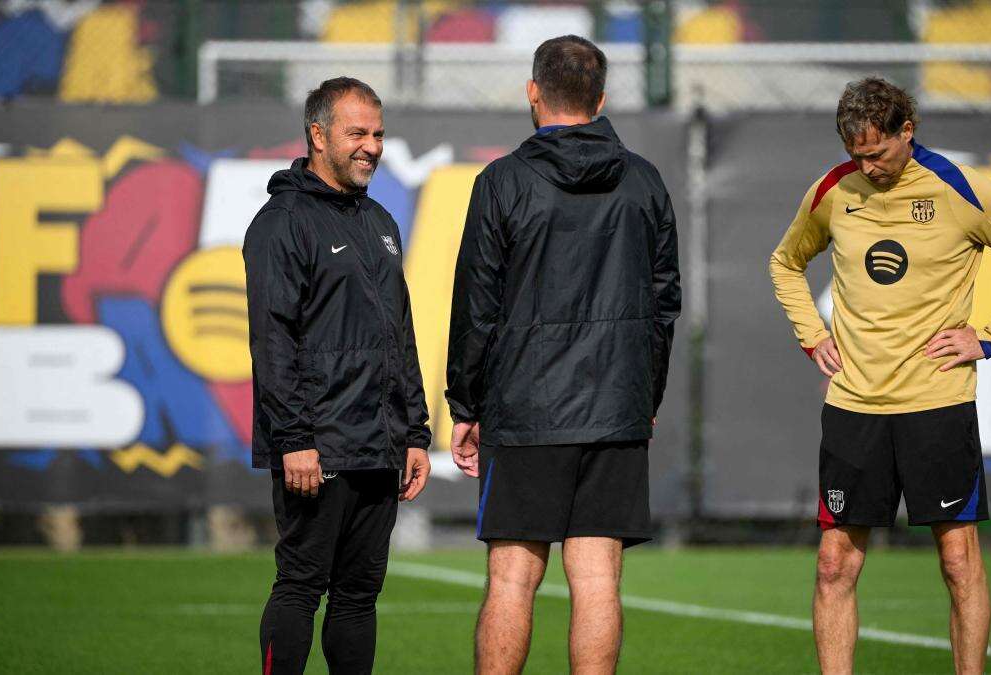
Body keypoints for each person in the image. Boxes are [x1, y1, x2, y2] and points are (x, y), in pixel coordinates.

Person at [769, 77, 991, 675]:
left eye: (877, 153)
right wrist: (812, 333)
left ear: (909, 130)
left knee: (958, 559)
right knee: (833, 565)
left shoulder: (959, 189)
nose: (867, 166)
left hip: (937, 403)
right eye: (856, 154)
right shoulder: (833, 190)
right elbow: (785, 262)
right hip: (854, 405)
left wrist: (987, 338)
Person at [445, 35, 681, 675]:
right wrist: (645, 397)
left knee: (512, 579)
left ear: (532, 92)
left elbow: (477, 303)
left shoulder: (502, 182)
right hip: (614, 407)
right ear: (600, 99)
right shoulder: (644, 181)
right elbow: (665, 307)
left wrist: (464, 403)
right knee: (598, 575)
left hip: (525, 409)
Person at [244, 76, 432, 675]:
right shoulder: (281, 222)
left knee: (358, 596)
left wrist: (416, 433)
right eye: (358, 133)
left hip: (379, 446)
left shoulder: (379, 220)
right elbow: (272, 340)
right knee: (301, 585)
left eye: (378, 133)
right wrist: (295, 438)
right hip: (316, 448)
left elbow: (399, 334)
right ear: (318, 135)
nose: (372, 146)